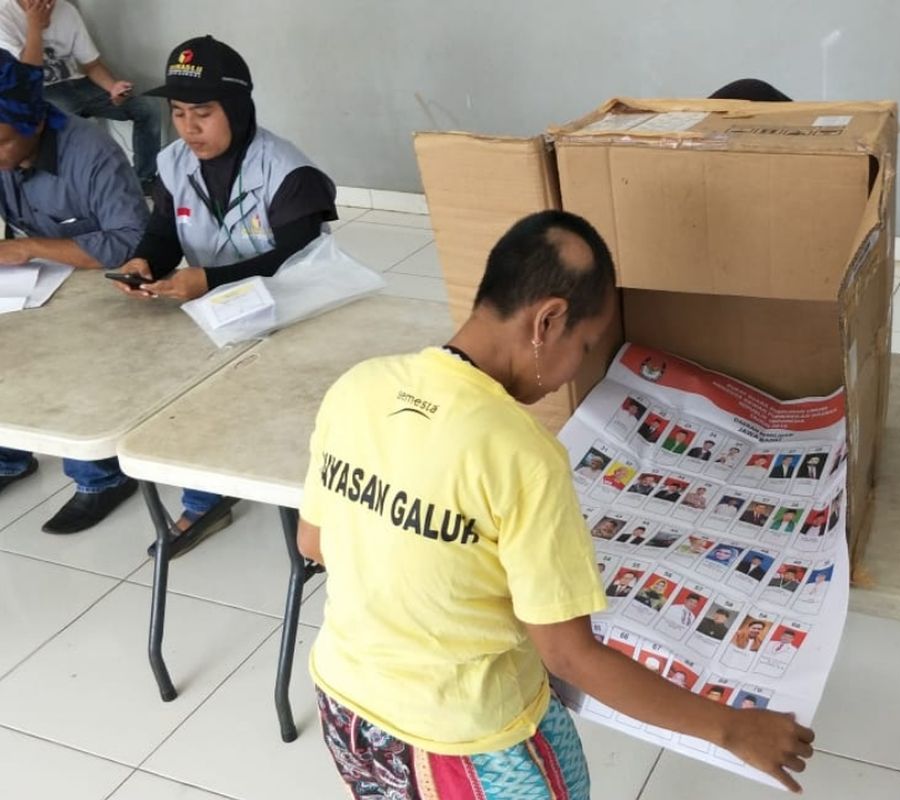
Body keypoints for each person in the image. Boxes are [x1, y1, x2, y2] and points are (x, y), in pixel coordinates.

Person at [297, 210, 815, 797]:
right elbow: (569, 657)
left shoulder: (358, 386)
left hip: (346, 711)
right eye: (587, 345)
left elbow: (313, 541)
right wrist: (732, 728)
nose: (578, 366)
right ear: (548, 321)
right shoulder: (522, 454)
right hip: (468, 743)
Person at [111, 35, 337, 559]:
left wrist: (209, 280)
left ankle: (316, 504)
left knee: (301, 414)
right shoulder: (173, 164)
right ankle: (206, 497)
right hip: (219, 314)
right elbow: (165, 233)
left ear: (236, 108)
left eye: (204, 113)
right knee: (192, 400)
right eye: (179, 113)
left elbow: (296, 259)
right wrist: (145, 261)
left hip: (295, 312)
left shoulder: (287, 171)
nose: (189, 128)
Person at [0, 48, 146, 534]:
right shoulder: (6, 145)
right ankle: (9, 456)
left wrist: (29, 249)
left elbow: (129, 242)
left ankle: (100, 478)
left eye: (0, 141)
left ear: (34, 123)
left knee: (73, 355)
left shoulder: (91, 153)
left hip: (110, 283)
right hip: (39, 280)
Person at [0, 0, 161, 190]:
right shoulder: (4, 15)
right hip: (37, 92)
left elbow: (91, 65)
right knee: (71, 120)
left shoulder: (66, 10)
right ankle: (82, 189)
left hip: (78, 84)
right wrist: (35, 26)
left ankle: (143, 180)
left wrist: (113, 87)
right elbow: (26, 77)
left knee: (148, 107)